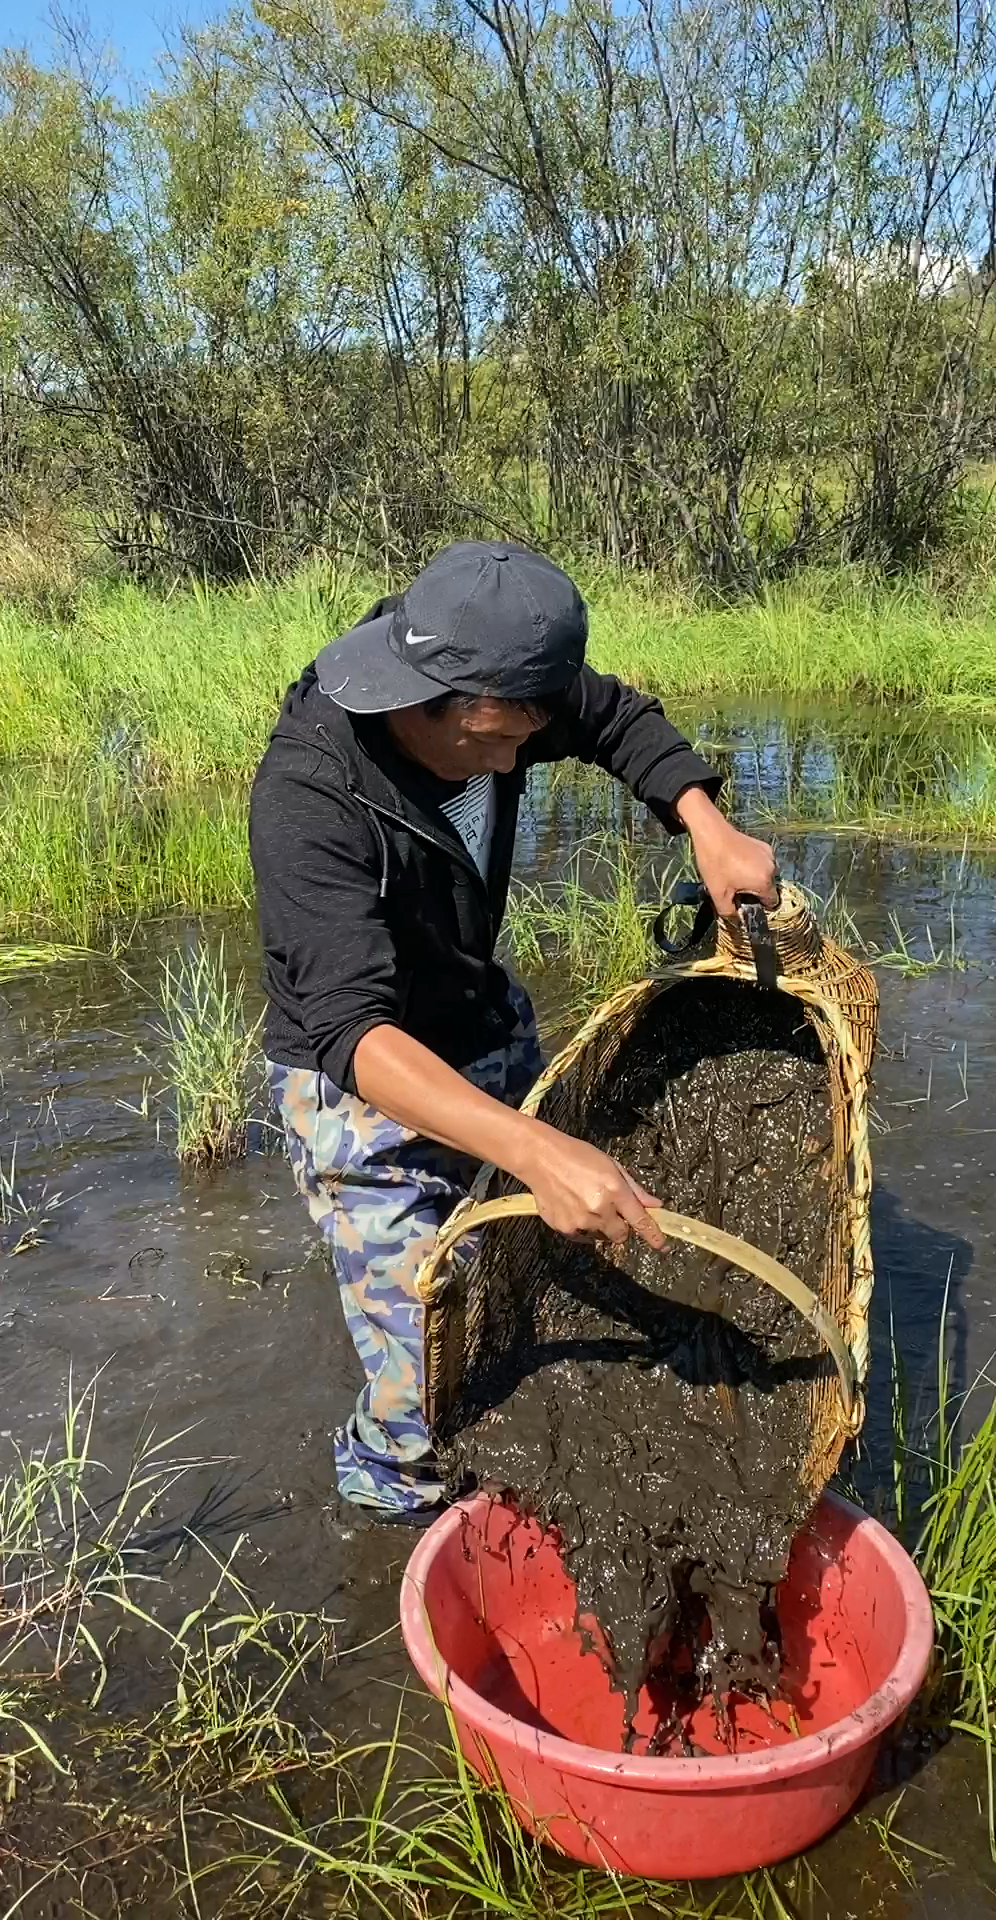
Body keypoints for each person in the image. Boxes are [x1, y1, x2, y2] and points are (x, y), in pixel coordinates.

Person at [250, 541, 777, 1525]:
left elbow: (613, 717)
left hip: (477, 1017)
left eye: (523, 734)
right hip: (364, 1083)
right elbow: (353, 1032)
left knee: (529, 1293)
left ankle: (513, 1471)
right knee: (422, 1386)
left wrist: (704, 821)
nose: (510, 760)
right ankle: (391, 1516)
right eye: (491, 743)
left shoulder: (500, 682)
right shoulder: (309, 797)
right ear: (425, 696)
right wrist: (538, 1146)